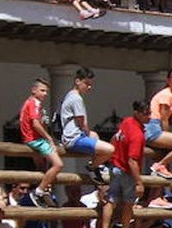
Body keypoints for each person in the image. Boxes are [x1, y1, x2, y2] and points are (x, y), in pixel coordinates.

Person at [97, 100, 151, 228]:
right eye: (146, 114)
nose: (149, 117)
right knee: (128, 203)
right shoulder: (137, 135)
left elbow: (114, 140)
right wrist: (139, 182)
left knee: (110, 200)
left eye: (149, 113)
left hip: (115, 167)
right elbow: (132, 161)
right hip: (127, 172)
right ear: (137, 113)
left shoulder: (126, 123)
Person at [58, 67, 114, 186]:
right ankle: (92, 167)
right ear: (78, 81)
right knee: (110, 149)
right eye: (86, 83)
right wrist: (87, 134)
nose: (89, 87)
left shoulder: (69, 95)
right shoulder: (76, 99)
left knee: (95, 135)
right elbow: (82, 123)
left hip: (70, 136)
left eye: (90, 84)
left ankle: (96, 165)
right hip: (75, 138)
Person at [18, 77, 60, 207]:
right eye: (42, 90)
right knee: (58, 164)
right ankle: (39, 191)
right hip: (36, 140)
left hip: (29, 139)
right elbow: (35, 124)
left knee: (41, 167)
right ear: (34, 90)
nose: (45, 94)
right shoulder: (34, 103)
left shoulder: (28, 103)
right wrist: (49, 138)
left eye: (46, 91)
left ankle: (43, 190)